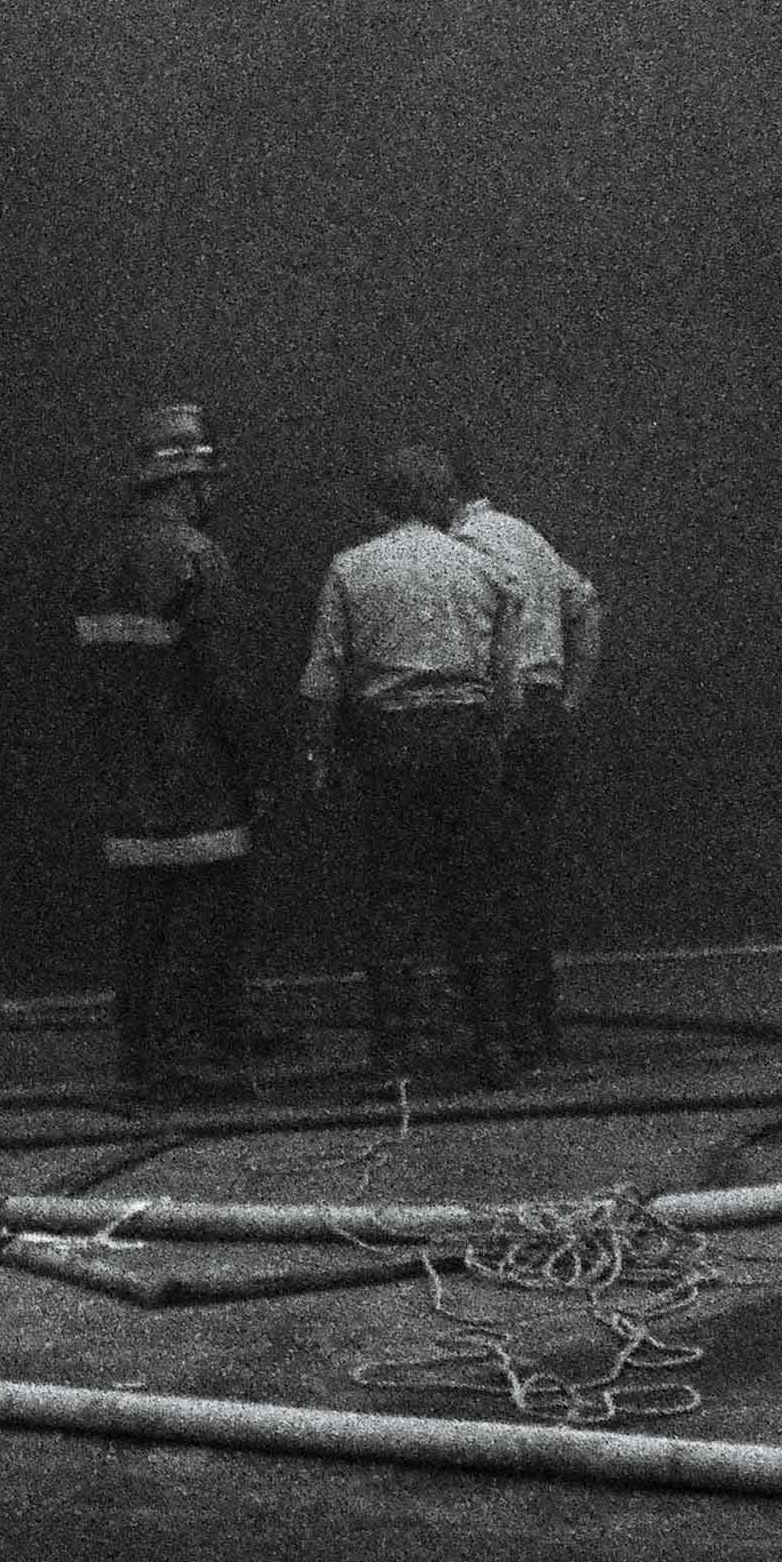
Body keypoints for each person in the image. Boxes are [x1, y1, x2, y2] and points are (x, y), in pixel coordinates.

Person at [297, 442, 527, 1087]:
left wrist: (317, 755)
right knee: (473, 892)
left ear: (380, 503)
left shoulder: (351, 569)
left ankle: (394, 1054)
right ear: (439, 500)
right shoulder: (485, 572)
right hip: (466, 738)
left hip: (388, 744)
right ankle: (492, 1049)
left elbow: (325, 676)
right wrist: (491, 742)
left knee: (392, 897)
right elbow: (506, 685)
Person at [73, 399, 270, 1106]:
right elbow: (225, 682)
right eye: (207, 482)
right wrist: (254, 766)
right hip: (196, 772)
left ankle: (139, 1051)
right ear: (188, 485)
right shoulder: (197, 556)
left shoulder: (101, 558)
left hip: (124, 770)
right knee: (205, 916)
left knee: (142, 919)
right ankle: (185, 1060)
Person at [449, 447, 604, 1067]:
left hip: (502, 715)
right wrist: (569, 699)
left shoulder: (466, 546)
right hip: (543, 711)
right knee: (526, 871)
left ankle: (497, 1032)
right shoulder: (523, 532)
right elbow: (587, 605)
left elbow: (500, 633)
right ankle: (534, 1027)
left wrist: (502, 707)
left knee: (483, 873)